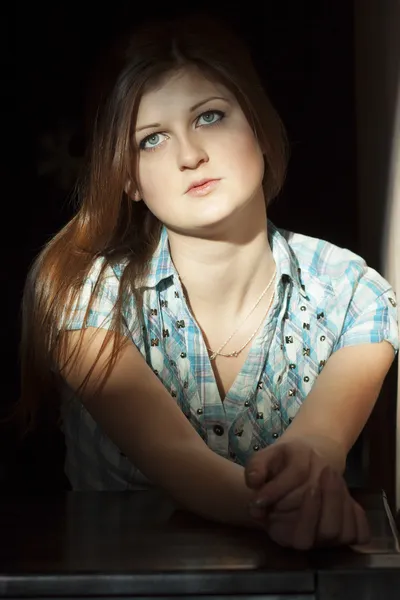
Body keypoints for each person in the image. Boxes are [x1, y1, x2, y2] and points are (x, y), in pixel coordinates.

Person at [18, 13, 398, 550]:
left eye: (210, 116)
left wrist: (309, 470)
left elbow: (320, 441)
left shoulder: (354, 295)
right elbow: (175, 459)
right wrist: (285, 507)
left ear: (261, 130)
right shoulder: (86, 295)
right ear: (126, 177)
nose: (189, 156)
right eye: (152, 140)